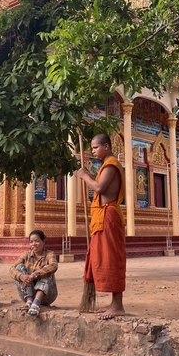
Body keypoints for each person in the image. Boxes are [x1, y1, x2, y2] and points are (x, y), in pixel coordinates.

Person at [76, 133, 126, 320]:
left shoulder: (111, 163)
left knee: (111, 257)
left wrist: (84, 176)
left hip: (108, 216)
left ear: (106, 146)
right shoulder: (106, 164)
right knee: (102, 257)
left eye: (95, 147)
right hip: (102, 216)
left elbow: (99, 188)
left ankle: (118, 305)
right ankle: (114, 303)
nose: (93, 151)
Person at [9, 229, 58, 317]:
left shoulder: (50, 254)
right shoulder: (26, 255)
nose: (33, 244)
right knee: (19, 267)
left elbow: (54, 265)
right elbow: (11, 269)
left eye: (37, 241)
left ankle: (36, 303)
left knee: (46, 269)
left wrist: (33, 275)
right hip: (27, 294)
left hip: (47, 296)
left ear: (43, 241)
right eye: (31, 242)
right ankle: (29, 301)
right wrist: (21, 276)